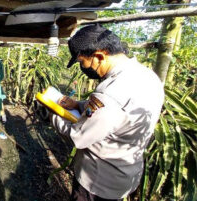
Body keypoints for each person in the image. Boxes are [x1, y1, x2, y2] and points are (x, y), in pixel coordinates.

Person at [51, 24, 164, 201]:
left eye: (82, 62)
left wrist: (53, 112)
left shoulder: (110, 92)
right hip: (124, 174)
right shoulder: (148, 76)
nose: (83, 67)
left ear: (99, 56)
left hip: (97, 181)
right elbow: (117, 113)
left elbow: (77, 136)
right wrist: (78, 104)